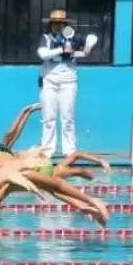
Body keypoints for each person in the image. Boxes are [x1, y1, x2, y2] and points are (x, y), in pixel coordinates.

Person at [37, 9, 97, 157]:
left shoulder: (74, 37)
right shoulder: (46, 38)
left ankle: (69, 151)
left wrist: (87, 46)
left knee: (67, 118)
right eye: (55, 23)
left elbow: (91, 39)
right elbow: (43, 54)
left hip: (68, 81)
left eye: (61, 23)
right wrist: (61, 49)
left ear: (65, 24)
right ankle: (47, 151)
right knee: (48, 118)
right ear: (51, 24)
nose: (58, 25)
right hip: (49, 81)